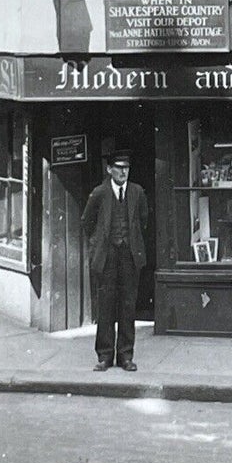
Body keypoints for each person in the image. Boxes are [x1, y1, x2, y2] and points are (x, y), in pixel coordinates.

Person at [81, 151, 149, 372]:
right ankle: (105, 356)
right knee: (106, 307)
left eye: (126, 168)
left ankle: (126, 356)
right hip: (107, 257)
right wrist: (99, 245)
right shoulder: (100, 193)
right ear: (109, 169)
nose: (123, 172)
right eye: (118, 168)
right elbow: (87, 222)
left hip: (129, 256)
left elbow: (143, 220)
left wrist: (132, 243)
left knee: (128, 307)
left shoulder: (137, 192)